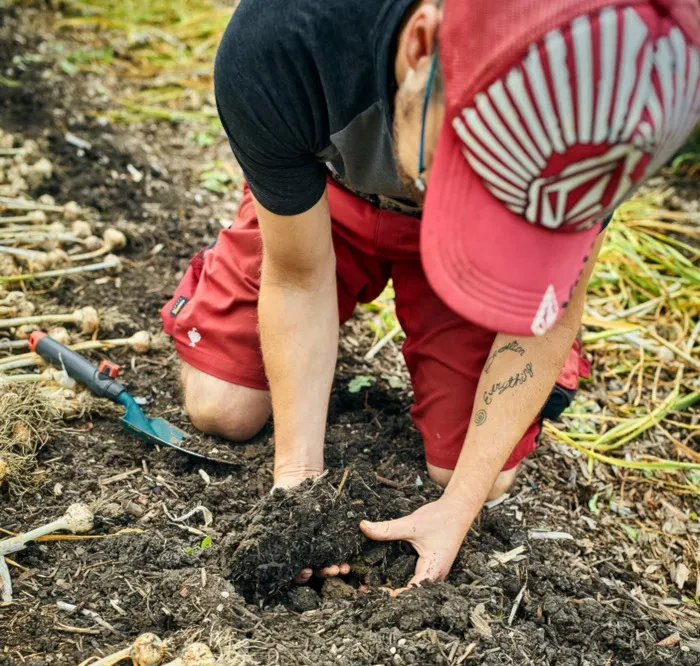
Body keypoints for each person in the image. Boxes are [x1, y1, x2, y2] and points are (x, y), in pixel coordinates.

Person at [163, 0, 700, 588]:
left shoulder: (621, 89)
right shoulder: (285, 39)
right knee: (223, 407)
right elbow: (298, 276)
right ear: (421, 46)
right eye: (470, 168)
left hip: (487, 244)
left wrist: (457, 510)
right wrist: (299, 485)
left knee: (472, 472)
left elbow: (542, 323)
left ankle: (521, 310)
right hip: (326, 201)